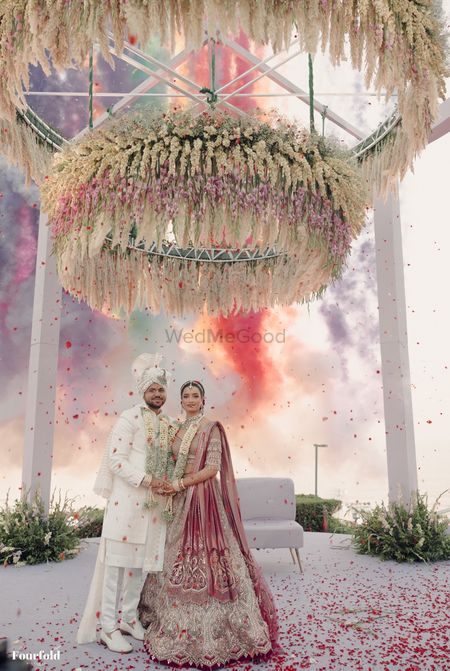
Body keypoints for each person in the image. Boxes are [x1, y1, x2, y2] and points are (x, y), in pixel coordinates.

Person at [138, 380, 279, 668]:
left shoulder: (210, 427)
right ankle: (166, 616)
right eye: (186, 396)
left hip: (204, 501)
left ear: (203, 400)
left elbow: (212, 468)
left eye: (195, 396)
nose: (191, 400)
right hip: (177, 502)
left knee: (208, 558)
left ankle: (220, 630)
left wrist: (179, 483)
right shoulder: (176, 428)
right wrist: (165, 483)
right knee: (172, 556)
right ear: (181, 400)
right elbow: (167, 460)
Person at [76, 354, 178, 653]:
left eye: (161, 389)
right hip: (126, 504)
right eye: (152, 389)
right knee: (115, 568)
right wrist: (147, 480)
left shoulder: (167, 423)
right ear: (142, 391)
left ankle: (128, 619)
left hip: (152, 507)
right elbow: (116, 460)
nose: (157, 394)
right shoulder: (129, 418)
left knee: (138, 566)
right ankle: (108, 628)